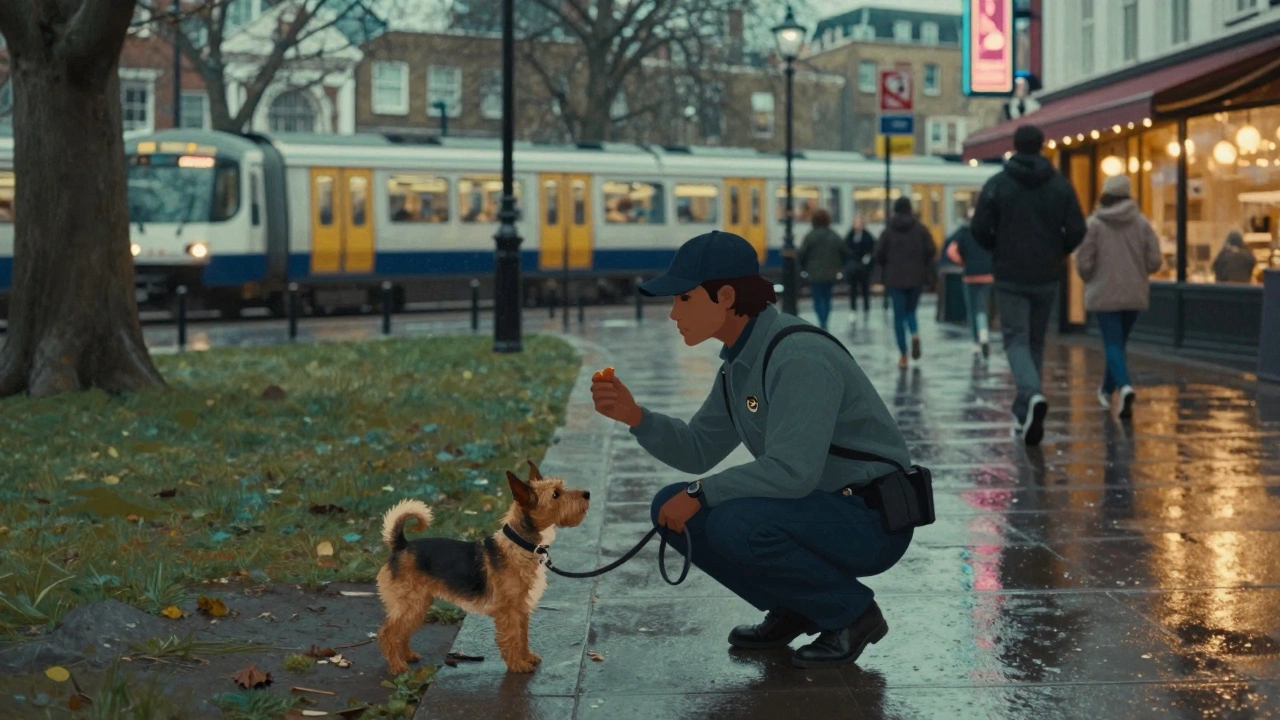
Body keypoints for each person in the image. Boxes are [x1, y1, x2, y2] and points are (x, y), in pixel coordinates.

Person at [590, 230, 918, 669]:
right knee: (668, 507)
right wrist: (636, 416)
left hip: (870, 519)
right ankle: (800, 606)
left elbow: (792, 471)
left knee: (732, 521)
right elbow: (698, 448)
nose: (672, 313)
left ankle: (851, 613)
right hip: (821, 507)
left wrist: (698, 493)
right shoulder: (739, 364)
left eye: (684, 299)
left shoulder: (798, 355)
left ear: (725, 296)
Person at [970, 124, 1087, 446]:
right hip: (1047, 274)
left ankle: (1032, 396)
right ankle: (1025, 413)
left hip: (1010, 273)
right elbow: (1078, 228)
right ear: (1042, 146)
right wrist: (1057, 250)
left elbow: (978, 227)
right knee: (1035, 341)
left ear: (1015, 146)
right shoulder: (1060, 186)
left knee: (1015, 340)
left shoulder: (998, 184)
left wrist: (998, 247)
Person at [1074, 174, 1162, 419]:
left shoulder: (1094, 224)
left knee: (1112, 343)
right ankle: (1106, 390)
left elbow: (1083, 261)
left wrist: (1090, 276)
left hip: (1104, 293)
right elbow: (1155, 260)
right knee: (1118, 343)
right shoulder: (1142, 223)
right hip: (1134, 293)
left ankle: (1124, 387)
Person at [874, 196, 937, 369]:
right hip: (916, 278)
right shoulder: (921, 229)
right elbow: (931, 250)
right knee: (911, 311)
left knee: (898, 316)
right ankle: (915, 334)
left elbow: (878, 253)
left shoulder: (889, 229)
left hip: (894, 278)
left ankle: (903, 355)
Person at [945, 206, 995, 358]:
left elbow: (951, 251)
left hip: (970, 276)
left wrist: (962, 263)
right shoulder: (990, 231)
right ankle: (985, 334)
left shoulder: (964, 231)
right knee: (983, 308)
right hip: (988, 275)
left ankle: (976, 343)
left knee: (972, 310)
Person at [797, 208, 848, 331]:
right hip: (831, 273)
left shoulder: (810, 236)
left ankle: (821, 320)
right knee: (827, 297)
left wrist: (803, 268)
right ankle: (825, 320)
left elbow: (802, 254)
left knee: (817, 298)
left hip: (814, 273)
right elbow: (844, 251)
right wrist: (839, 266)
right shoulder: (833, 235)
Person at [844, 215, 876, 323]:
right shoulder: (849, 236)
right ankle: (853, 309)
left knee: (865, 289)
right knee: (852, 289)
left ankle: (866, 308)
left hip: (864, 269)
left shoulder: (868, 236)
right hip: (853, 268)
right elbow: (845, 250)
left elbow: (872, 250)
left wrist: (867, 261)